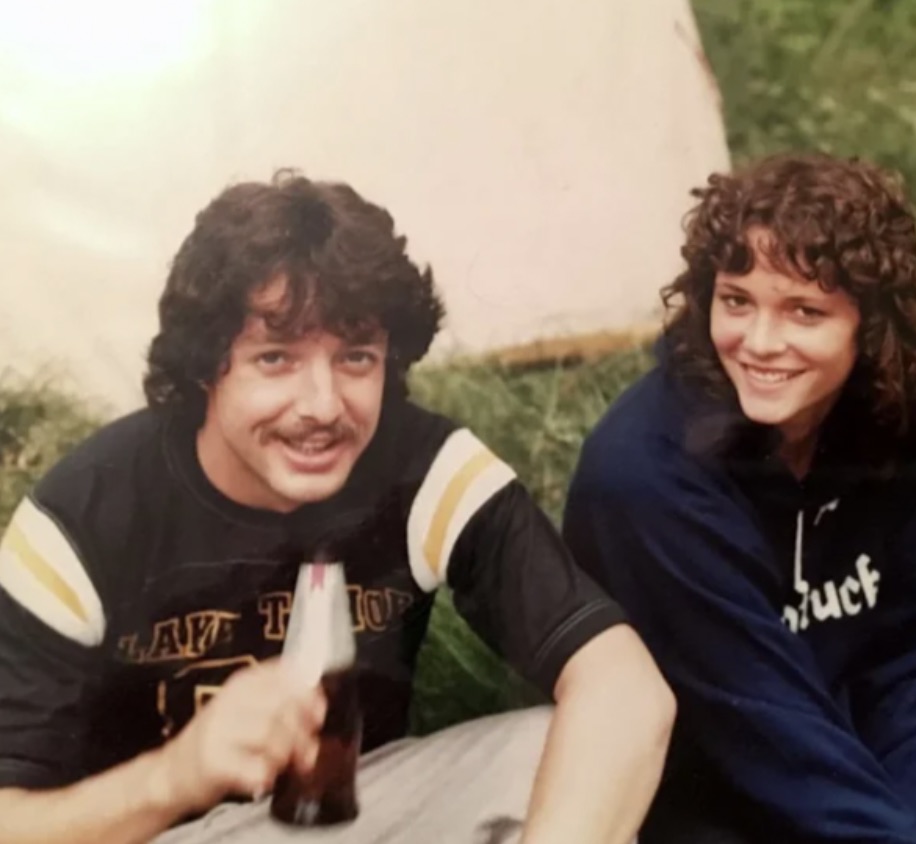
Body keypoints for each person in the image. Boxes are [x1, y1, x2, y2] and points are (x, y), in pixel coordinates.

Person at [0, 170, 676, 844]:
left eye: (355, 357)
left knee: (565, 747)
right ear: (206, 368)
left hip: (349, 818)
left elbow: (627, 689)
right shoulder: (84, 515)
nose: (323, 406)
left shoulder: (428, 471)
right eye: (275, 358)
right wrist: (177, 775)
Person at [562, 153, 916, 844]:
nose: (759, 342)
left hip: (855, 748)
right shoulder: (644, 475)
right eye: (737, 300)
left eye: (804, 311)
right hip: (708, 783)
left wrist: (907, 821)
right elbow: (757, 723)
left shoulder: (893, 420)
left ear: (869, 328)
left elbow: (914, 658)